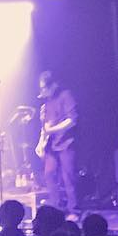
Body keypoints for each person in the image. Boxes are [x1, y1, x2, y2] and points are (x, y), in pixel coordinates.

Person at [36, 70, 78, 212]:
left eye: (44, 88)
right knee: (49, 173)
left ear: (53, 85)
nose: (42, 91)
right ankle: (56, 206)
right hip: (52, 144)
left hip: (66, 142)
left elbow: (72, 120)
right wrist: (40, 142)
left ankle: (73, 209)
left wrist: (52, 130)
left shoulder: (66, 96)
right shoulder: (47, 102)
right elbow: (46, 125)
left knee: (68, 177)